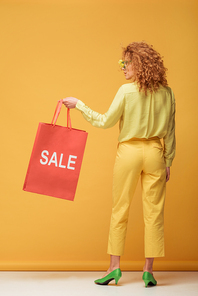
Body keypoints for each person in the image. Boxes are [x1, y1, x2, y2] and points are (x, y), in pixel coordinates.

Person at [63, 41, 176, 287]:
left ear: (139, 65)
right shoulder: (167, 93)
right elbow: (169, 131)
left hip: (129, 152)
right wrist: (168, 160)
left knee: (120, 210)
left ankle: (114, 268)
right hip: (156, 152)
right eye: (122, 63)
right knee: (154, 213)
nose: (123, 68)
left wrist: (79, 104)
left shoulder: (126, 91)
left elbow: (104, 121)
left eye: (126, 63)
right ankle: (148, 271)